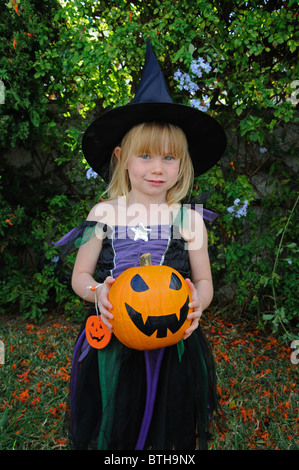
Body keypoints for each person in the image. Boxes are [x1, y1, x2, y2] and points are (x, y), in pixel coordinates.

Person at [54, 40, 226, 450]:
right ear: (122, 158)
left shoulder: (189, 219)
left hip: (175, 340)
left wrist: (199, 301)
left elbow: (203, 281)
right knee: (118, 414)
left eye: (170, 159)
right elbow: (80, 274)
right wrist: (99, 293)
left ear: (182, 165)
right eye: (145, 156)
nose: (157, 168)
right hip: (115, 337)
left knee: (172, 419)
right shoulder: (104, 214)